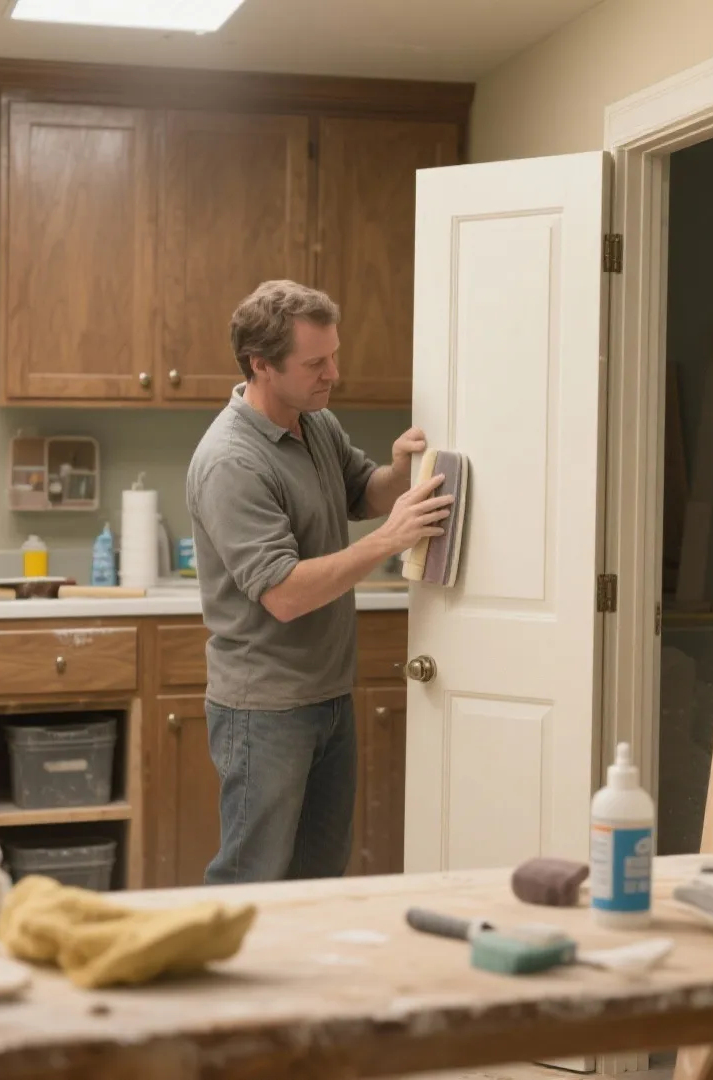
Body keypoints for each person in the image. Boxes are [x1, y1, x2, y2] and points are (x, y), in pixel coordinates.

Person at [187, 279, 452, 884]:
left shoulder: (316, 422)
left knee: (318, 876)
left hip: (328, 695)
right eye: (315, 363)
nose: (334, 372)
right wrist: (391, 539)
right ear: (261, 365)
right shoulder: (232, 461)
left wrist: (401, 471)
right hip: (265, 707)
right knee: (251, 874)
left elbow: (364, 492)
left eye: (333, 354)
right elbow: (283, 593)